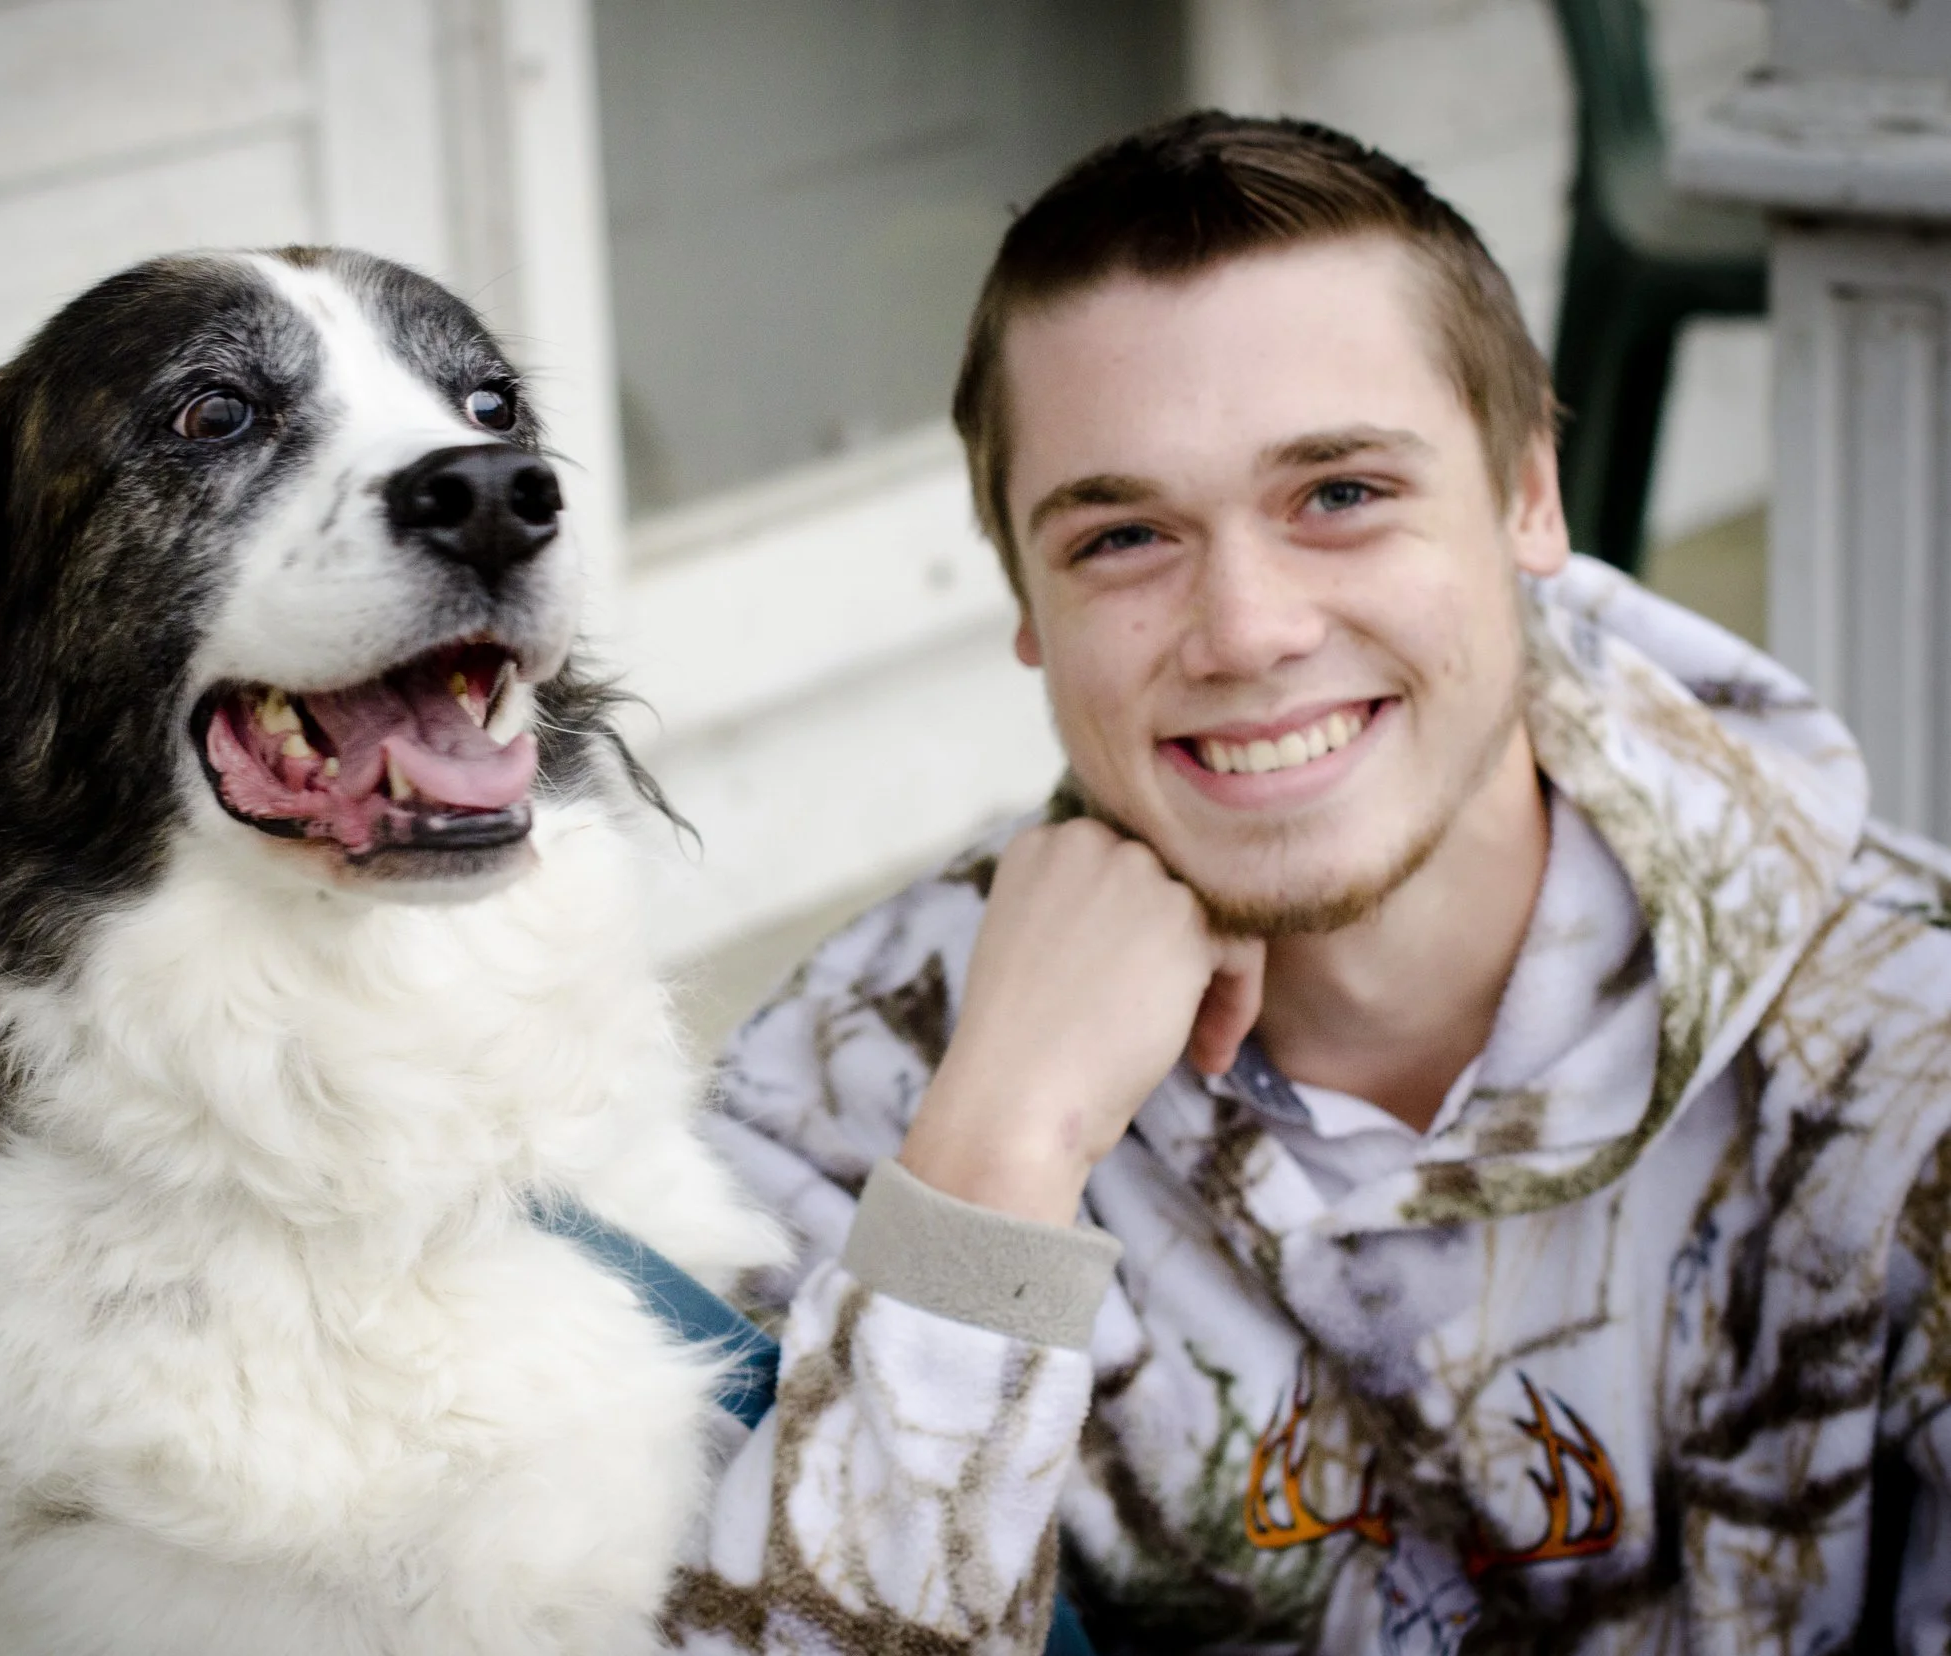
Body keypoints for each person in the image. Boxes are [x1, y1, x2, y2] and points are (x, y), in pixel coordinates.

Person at [660, 113, 1951, 1653]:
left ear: (1531, 491)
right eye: (1125, 535)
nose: (1248, 629)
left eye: (1339, 493)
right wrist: (1002, 1157)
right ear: (1026, 602)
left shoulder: (1901, 1040)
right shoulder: (865, 1094)